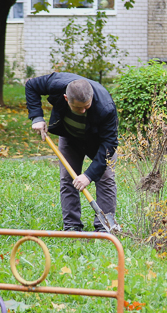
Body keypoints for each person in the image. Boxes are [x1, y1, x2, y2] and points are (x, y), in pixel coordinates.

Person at [26, 73, 118, 232]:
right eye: (78, 107)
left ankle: (104, 229)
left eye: (87, 106)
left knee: (105, 177)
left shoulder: (106, 107)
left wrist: (88, 175)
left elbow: (109, 145)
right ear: (66, 98)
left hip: (98, 142)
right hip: (70, 136)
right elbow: (31, 85)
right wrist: (37, 117)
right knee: (68, 178)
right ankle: (72, 226)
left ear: (91, 97)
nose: (83, 111)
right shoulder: (56, 83)